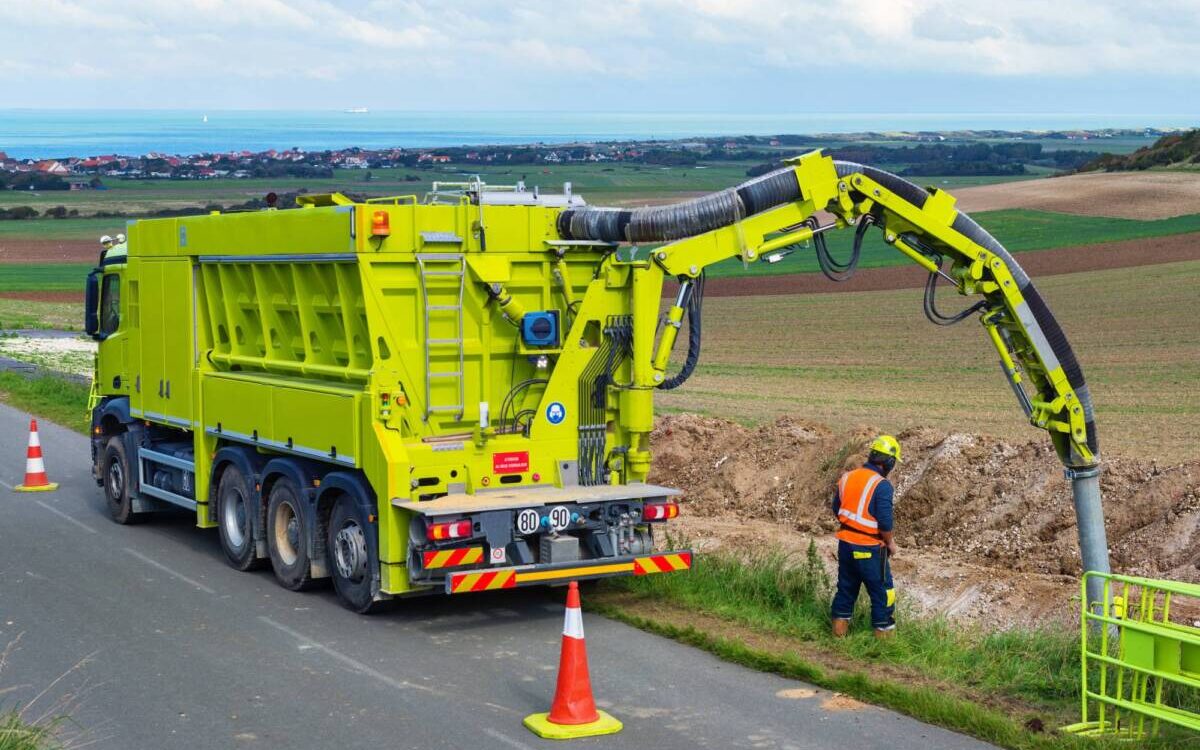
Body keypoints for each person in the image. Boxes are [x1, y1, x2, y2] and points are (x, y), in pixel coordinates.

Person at [830, 435, 901, 638]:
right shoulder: (882, 485)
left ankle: (837, 639)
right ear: (889, 462)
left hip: (845, 544)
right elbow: (885, 522)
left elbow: (837, 508)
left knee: (846, 590)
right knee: (883, 594)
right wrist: (890, 543)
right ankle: (884, 646)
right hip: (870, 548)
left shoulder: (847, 477)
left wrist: (853, 525)